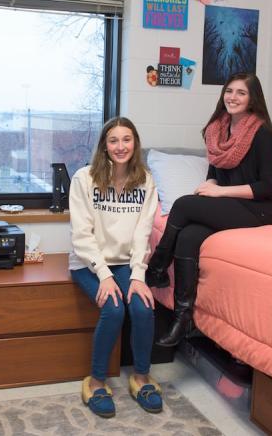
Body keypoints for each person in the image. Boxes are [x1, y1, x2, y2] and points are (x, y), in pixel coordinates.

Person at [146, 72, 272, 348]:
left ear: (253, 98)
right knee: (188, 236)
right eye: (229, 91)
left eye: (241, 93)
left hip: (260, 209)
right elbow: (214, 171)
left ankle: (157, 267)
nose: (233, 97)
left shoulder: (262, 133)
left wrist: (218, 193)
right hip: (230, 203)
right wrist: (209, 185)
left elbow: (268, 186)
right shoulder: (218, 130)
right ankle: (183, 317)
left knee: (183, 205)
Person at [69, 116, 163, 418]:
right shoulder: (84, 178)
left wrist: (138, 276)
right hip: (89, 262)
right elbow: (82, 235)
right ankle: (96, 382)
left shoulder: (145, 180)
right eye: (113, 140)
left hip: (127, 262)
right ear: (104, 145)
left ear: (135, 143)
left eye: (126, 139)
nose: (120, 146)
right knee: (114, 308)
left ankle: (141, 377)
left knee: (143, 307)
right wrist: (105, 275)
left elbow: (142, 232)